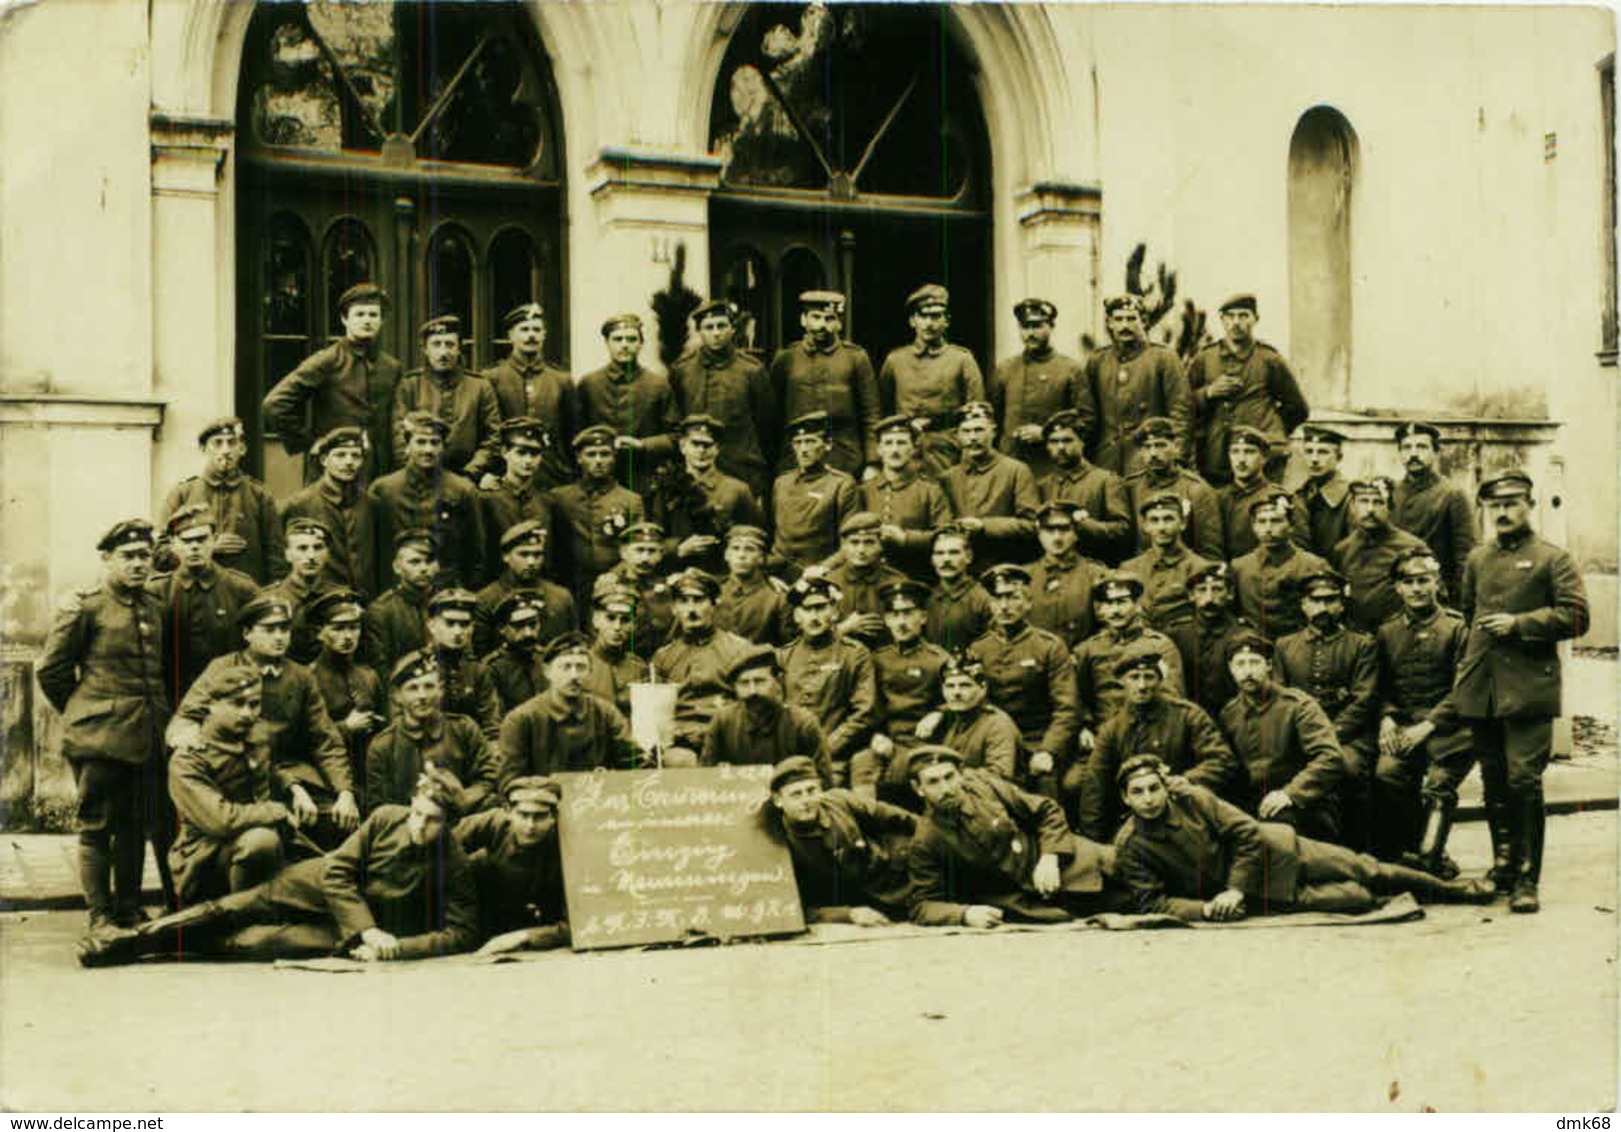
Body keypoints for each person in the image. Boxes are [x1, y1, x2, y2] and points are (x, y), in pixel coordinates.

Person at [78, 770, 479, 967]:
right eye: (418, 814)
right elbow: (338, 870)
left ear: (450, 825)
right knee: (231, 908)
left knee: (251, 943)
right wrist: (369, 929)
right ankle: (128, 941)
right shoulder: (387, 817)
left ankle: (155, 950)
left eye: (432, 821)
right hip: (315, 886)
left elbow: (462, 932)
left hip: (343, 931)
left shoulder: (454, 862)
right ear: (412, 804)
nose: (420, 826)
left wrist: (394, 948)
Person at [1111, 756, 1494, 922]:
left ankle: (1453, 891)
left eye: (1153, 789)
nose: (1148, 799)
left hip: (1275, 850)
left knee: (1366, 868)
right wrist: (1207, 909)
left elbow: (1245, 833)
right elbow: (1151, 901)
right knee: (1355, 898)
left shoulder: (1193, 799)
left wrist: (1234, 889)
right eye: (1138, 792)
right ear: (1125, 799)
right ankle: (1394, 902)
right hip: (1258, 893)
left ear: (1165, 787)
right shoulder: (1130, 844)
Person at [1451, 471, 1588, 913]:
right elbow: (1469, 614)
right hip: (1483, 689)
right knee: (1493, 781)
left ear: (1529, 504)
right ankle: (1504, 864)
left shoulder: (1553, 559)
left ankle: (1527, 878)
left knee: (1523, 780)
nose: (1504, 512)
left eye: (1512, 503)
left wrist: (1522, 624)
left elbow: (1577, 617)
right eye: (1496, 506)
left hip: (1528, 688)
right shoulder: (1477, 559)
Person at [38, 519, 173, 931]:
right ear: (107, 559)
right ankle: (100, 916)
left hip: (147, 735)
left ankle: (129, 908)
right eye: (128, 557)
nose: (138, 564)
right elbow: (52, 670)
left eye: (144, 556)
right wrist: (87, 711)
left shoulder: (153, 605)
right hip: (99, 737)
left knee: (134, 825)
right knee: (97, 825)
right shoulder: (86, 606)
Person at [172, 595, 359, 851]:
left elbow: (324, 740)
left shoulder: (300, 676)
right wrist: (189, 737)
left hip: (290, 770)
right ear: (247, 633)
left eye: (284, 629)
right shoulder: (223, 668)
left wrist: (344, 792)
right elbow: (187, 717)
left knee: (338, 820)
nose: (279, 637)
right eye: (269, 630)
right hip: (241, 773)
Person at [906, 747, 1121, 926]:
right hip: (1028, 904)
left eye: (949, 777)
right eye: (933, 782)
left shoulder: (986, 787)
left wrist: (1050, 856)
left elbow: (1047, 810)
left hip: (1066, 862)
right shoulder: (926, 840)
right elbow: (922, 906)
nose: (946, 789)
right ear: (918, 789)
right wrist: (965, 914)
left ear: (960, 774)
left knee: (1130, 866)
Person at [1372, 549, 1475, 870]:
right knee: (1387, 774)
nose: (1416, 589)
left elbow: (1464, 689)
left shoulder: (1457, 628)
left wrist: (1428, 726)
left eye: (1423, 581)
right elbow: (1378, 684)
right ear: (1397, 588)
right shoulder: (1387, 632)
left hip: (1452, 730)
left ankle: (1430, 860)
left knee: (1438, 785)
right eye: (1408, 582)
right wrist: (1386, 717)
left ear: (1437, 584)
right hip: (1403, 726)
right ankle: (1413, 849)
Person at [1076, 643, 1236, 842]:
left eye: (1149, 677)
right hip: (1137, 820)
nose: (1142, 685)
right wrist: (1094, 841)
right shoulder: (1113, 729)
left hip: (1186, 813)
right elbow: (1096, 787)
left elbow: (1221, 760)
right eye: (1134, 677)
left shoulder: (1187, 716)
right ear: (1122, 681)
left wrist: (1188, 781)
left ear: (1160, 680)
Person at [165, 661, 295, 905]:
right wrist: (276, 811)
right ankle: (236, 920)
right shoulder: (189, 759)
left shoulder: (257, 735)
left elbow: (269, 771)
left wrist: (294, 788)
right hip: (206, 861)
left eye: (254, 704)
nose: (247, 713)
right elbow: (221, 821)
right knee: (261, 841)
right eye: (237, 704)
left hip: (254, 844)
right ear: (212, 705)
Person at [1273, 570, 1381, 850]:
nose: (1323, 607)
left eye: (1331, 600)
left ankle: (1359, 851)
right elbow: (1280, 697)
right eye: (1315, 600)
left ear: (1341, 604)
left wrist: (1331, 735)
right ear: (1303, 605)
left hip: (1349, 736)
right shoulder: (1285, 646)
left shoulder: (1362, 645)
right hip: (1302, 735)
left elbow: (1363, 699)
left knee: (1349, 769)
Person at [261, 281, 400, 483]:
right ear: (345, 319)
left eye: (373, 314)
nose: (367, 321)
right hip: (330, 470)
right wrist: (311, 443)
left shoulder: (391, 367)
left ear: (382, 320)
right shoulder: (327, 360)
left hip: (377, 473)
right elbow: (274, 404)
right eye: (359, 314)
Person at [1216, 631, 1345, 841]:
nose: (1247, 671)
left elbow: (1330, 757)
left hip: (1304, 805)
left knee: (1272, 837)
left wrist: (1290, 794)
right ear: (1231, 669)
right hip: (1254, 804)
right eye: (1240, 664)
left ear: (1268, 665)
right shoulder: (1229, 714)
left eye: (1254, 662)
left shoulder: (1297, 705)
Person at [966, 564, 1077, 797]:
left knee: (1044, 790)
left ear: (1028, 603)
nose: (1004, 606)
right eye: (997, 599)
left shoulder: (1049, 646)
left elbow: (1066, 709)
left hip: (1036, 740)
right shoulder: (978, 649)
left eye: (1012, 597)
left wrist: (1048, 750)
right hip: (992, 740)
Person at [762, 756, 916, 924]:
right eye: (796, 794)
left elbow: (895, 817)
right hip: (844, 909)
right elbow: (793, 908)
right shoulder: (777, 840)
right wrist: (848, 914)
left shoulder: (840, 800)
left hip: (893, 888)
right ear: (778, 800)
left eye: (811, 791)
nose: (806, 801)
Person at [1183, 294, 1309, 485]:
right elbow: (1183, 404)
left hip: (1263, 459)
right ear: (1222, 320)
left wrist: (1271, 431)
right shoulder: (1205, 358)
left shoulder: (1269, 359)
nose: (1236, 323)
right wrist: (1208, 393)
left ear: (1255, 319)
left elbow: (1298, 408)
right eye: (1230, 316)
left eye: (1243, 316)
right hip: (1216, 458)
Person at [146, 503, 261, 704]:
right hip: (172, 698)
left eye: (202, 539)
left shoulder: (241, 589)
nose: (194, 547)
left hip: (229, 698)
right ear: (173, 544)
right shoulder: (156, 592)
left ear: (215, 540)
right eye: (187, 541)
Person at [669, 298, 779, 500]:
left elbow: (768, 427)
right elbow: (675, 422)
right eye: (709, 327)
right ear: (700, 332)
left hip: (743, 470)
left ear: (732, 330)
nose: (716, 333)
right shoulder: (682, 370)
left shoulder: (752, 370)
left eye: (722, 326)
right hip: (696, 474)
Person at [366, 651, 501, 815]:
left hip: (462, 820)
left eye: (429, 686)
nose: (422, 696)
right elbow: (380, 807)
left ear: (441, 690)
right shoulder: (383, 746)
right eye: (412, 688)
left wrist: (463, 798)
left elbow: (488, 778)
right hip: (409, 828)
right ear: (398, 696)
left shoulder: (464, 729)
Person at [159, 417, 284, 586]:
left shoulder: (259, 495)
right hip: (194, 595)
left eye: (232, 443)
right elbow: (159, 554)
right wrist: (206, 547)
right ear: (204, 449)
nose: (225, 450)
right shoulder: (182, 494)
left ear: (242, 449)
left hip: (247, 594)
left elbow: (276, 556)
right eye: (217, 443)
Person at [454, 775, 571, 955]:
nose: (530, 825)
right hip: (487, 907)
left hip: (541, 917)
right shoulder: (493, 823)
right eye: (523, 815)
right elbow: (444, 849)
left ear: (554, 816)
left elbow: (578, 924)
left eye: (540, 816)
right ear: (508, 811)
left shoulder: (567, 843)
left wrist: (524, 936)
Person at [368, 411, 486, 589]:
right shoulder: (384, 490)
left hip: (445, 590)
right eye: (421, 442)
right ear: (407, 446)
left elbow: (476, 551)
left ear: (443, 447)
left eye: (435, 442)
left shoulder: (462, 490)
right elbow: (372, 552)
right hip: (396, 590)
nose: (428, 450)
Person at [768, 290, 880, 478]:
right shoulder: (785, 359)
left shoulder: (856, 358)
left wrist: (873, 462)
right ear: (803, 320)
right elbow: (772, 418)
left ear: (839, 323)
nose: (822, 325)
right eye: (816, 317)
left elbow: (871, 414)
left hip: (844, 458)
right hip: (796, 458)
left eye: (830, 319)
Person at [877, 284, 985, 476]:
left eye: (935, 316)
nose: (929, 323)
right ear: (912, 321)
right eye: (923, 316)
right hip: (905, 449)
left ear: (946, 321)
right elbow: (883, 409)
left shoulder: (962, 359)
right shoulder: (895, 360)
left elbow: (976, 410)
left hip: (948, 450)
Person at [856, 580, 950, 801]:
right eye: (895, 615)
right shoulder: (878, 659)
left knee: (901, 771)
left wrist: (939, 712)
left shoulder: (938, 659)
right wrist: (876, 734)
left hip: (924, 741)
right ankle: (867, 827)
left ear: (923, 618)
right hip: (888, 738)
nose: (902, 622)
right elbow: (870, 705)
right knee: (860, 764)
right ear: (887, 620)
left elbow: (959, 697)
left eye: (908, 613)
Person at [498, 632, 639, 779]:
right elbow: (510, 780)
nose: (574, 675)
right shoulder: (522, 719)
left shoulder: (605, 714)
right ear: (547, 671)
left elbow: (635, 763)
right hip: (543, 798)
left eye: (581, 667)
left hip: (595, 797)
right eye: (565, 667)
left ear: (590, 672)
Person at [1072, 573, 1185, 754]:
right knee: (1074, 783)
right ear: (1101, 609)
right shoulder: (1087, 649)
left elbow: (1173, 697)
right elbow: (1078, 697)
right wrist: (1083, 726)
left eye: (1122, 602)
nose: (1115, 610)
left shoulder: (1160, 645)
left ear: (1137, 605)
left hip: (1150, 736)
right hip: (1105, 739)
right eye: (1109, 603)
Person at [778, 575, 877, 782]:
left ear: (834, 612)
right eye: (807, 609)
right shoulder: (784, 656)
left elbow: (864, 713)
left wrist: (826, 748)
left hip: (835, 757)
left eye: (821, 608)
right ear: (797, 615)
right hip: (788, 757)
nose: (814, 616)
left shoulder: (854, 654)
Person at [651, 569, 755, 761]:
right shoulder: (663, 657)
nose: (691, 610)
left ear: (714, 603)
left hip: (727, 740)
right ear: (674, 608)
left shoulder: (738, 650)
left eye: (699, 600)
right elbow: (657, 714)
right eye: (683, 601)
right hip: (679, 743)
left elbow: (751, 703)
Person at [1083, 294, 1192, 476]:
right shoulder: (1097, 361)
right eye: (1118, 319)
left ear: (1144, 321)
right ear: (1109, 323)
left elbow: (1180, 412)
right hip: (1106, 461)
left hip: (1150, 459)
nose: (1125, 326)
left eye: (1131, 319)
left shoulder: (1163, 358)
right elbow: (1087, 412)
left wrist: (1177, 457)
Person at [989, 298, 1093, 481]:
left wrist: (1046, 433)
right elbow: (992, 419)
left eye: (1036, 326)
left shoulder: (1070, 370)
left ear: (1051, 326)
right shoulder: (1005, 369)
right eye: (1024, 327)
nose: (1030, 333)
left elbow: (1086, 420)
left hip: (1052, 468)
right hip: (1011, 465)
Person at [576, 313, 679, 496]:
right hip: (597, 481)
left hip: (643, 479)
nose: (624, 345)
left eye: (631, 339)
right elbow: (575, 432)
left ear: (640, 344)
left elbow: (675, 436)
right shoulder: (589, 384)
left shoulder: (657, 385)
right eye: (618, 339)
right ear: (607, 343)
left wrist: (643, 445)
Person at [479, 301, 577, 491]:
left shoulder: (561, 380)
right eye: (524, 329)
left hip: (552, 476)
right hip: (505, 475)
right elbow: (487, 432)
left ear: (544, 335)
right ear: (511, 335)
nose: (531, 335)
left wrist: (568, 471)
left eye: (536, 329)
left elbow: (571, 433)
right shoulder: (492, 378)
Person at [652, 413, 766, 575]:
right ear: (683, 446)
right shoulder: (666, 487)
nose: (701, 451)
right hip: (677, 574)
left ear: (717, 449)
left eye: (707, 445)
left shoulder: (737, 489)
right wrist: (678, 548)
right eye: (695, 444)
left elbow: (757, 536)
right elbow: (653, 537)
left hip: (722, 574)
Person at [391, 314, 502, 480]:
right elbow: (399, 436)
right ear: (425, 349)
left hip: (469, 480)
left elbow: (493, 438)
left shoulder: (480, 386)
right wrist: (416, 471)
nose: (443, 352)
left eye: (450, 345)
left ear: (459, 349)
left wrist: (471, 473)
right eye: (436, 344)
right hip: (420, 479)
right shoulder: (410, 385)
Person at [702, 648, 832, 782]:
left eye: (759, 681)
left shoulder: (803, 723)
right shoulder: (723, 721)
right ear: (735, 687)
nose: (752, 691)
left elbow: (824, 782)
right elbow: (706, 780)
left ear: (778, 682)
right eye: (744, 683)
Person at [547, 424, 645, 602]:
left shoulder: (631, 500)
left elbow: (636, 548)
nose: (598, 460)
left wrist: (614, 575)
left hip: (615, 585)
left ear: (614, 457)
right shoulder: (560, 497)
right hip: (570, 585)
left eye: (605, 454)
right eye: (591, 454)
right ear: (579, 458)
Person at [278, 426, 379, 597]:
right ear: (324, 459)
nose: (349, 462)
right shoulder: (299, 504)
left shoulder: (371, 504)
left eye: (356, 456)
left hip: (364, 601)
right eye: (340, 455)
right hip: (320, 602)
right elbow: (280, 557)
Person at [939, 400, 1041, 566]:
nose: (972, 437)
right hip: (960, 566)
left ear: (993, 431)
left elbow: (1031, 525)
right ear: (957, 435)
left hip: (1005, 562)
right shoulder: (948, 477)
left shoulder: (1016, 470)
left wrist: (984, 526)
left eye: (979, 430)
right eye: (966, 431)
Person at [307, 589, 385, 796]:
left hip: (369, 776)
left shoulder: (368, 676)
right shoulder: (308, 679)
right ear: (319, 631)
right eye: (338, 628)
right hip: (325, 779)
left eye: (353, 628)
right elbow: (303, 741)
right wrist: (346, 728)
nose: (348, 636)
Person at [857, 415, 953, 581]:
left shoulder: (930, 490)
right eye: (888, 443)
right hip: (871, 579)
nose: (894, 450)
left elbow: (946, 535)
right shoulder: (864, 491)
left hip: (916, 578)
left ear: (913, 448)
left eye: (901, 443)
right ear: (879, 450)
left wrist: (906, 538)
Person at [1391, 421, 1476, 603]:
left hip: (1437, 597)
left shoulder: (1452, 494)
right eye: (1406, 447)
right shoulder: (1392, 493)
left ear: (1436, 452)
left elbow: (1466, 556)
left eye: (1421, 447)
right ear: (1399, 453)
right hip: (1396, 596)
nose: (1413, 454)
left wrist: (1457, 600)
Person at [1229, 491, 1332, 640]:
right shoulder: (1240, 567)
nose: (1268, 528)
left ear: (1291, 526)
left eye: (1276, 521)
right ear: (1253, 526)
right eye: (1262, 521)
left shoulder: (1313, 565)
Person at [1333, 477, 1430, 632]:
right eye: (1364, 501)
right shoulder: (1343, 550)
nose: (1370, 509)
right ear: (1352, 506)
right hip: (1357, 637)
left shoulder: (1412, 547)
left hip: (1400, 635)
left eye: (1378, 502)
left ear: (1390, 506)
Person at [1037, 409, 1132, 565]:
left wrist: (1085, 524)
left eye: (1067, 440)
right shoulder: (1043, 485)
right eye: (1054, 441)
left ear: (1082, 442)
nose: (1060, 447)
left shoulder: (1106, 481)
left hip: (1094, 566)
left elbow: (1122, 530)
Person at [769, 411, 859, 575]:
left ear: (828, 444)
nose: (803, 449)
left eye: (810, 442)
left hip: (819, 572)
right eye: (798, 442)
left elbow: (851, 541)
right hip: (778, 573)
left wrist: (824, 568)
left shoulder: (841, 484)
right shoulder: (781, 483)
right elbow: (773, 536)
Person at [472, 521, 577, 658]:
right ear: (506, 556)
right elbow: (481, 655)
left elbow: (571, 647)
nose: (531, 562)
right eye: (524, 554)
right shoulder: (486, 600)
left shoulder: (561, 598)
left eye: (537, 555)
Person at [1121, 417, 1222, 558]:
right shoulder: (1131, 487)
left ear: (1176, 447)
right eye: (1147, 447)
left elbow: (1210, 551)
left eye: (1160, 445)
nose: (1153, 453)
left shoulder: (1197, 489)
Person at [913, 652, 1022, 782]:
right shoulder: (951, 720)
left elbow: (999, 778)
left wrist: (952, 777)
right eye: (950, 686)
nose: (956, 693)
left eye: (965, 685)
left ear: (983, 688)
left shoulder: (997, 724)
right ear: (943, 690)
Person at [1167, 563, 1256, 720]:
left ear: (1230, 594)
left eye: (1217, 589)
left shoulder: (1244, 634)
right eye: (1202, 590)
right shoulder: (1177, 634)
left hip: (1234, 719)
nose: (1209, 598)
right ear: (1191, 595)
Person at [1120, 492, 1220, 631]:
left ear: (1183, 523)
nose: (1161, 528)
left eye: (1168, 519)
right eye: (1154, 520)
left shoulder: (1200, 568)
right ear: (1145, 526)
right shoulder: (1129, 569)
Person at [477, 418, 556, 588]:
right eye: (521, 453)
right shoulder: (486, 500)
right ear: (505, 452)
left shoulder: (549, 501)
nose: (528, 461)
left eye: (534, 454)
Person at [423, 588, 503, 742]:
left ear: (472, 628)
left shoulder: (478, 671)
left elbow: (491, 726)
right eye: (450, 623)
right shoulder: (416, 667)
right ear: (432, 626)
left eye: (464, 624)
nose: (458, 631)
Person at [1025, 503, 1105, 650]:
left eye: (1064, 529)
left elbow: (1108, 628)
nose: (1057, 537)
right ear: (1039, 534)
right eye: (1049, 530)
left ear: (1076, 533)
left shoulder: (1096, 574)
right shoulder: (1025, 577)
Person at [361, 528, 437, 681]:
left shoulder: (444, 603)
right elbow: (381, 673)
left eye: (429, 561)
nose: (424, 568)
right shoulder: (381, 611)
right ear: (397, 567)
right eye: (415, 562)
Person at [258, 516, 336, 664]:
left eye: (318, 547)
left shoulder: (338, 597)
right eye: (302, 548)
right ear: (287, 554)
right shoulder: (268, 600)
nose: (311, 556)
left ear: (328, 554)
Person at [1215, 425, 1297, 560]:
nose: (1241, 459)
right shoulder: (1217, 498)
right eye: (1235, 452)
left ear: (1264, 458)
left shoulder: (1279, 498)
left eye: (1249, 452)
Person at [596, 522, 675, 660]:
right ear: (624, 553)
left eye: (652, 551)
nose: (645, 558)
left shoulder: (667, 588)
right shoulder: (607, 586)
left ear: (661, 554)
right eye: (639, 550)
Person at [714, 525, 793, 645]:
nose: (741, 555)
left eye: (750, 549)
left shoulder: (777, 599)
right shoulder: (713, 591)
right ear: (726, 555)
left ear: (761, 558)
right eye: (735, 548)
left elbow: (787, 650)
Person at [582, 583, 650, 716]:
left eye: (625, 620)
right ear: (596, 619)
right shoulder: (581, 666)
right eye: (610, 618)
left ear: (633, 625)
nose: (617, 627)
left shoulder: (639, 668)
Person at [924, 525, 992, 651]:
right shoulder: (926, 599)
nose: (946, 559)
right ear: (933, 560)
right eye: (939, 553)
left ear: (968, 557)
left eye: (954, 552)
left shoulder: (983, 599)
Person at [1292, 423, 1353, 560]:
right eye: (1309, 451)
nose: (1314, 459)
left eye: (1323, 452)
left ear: (1339, 457)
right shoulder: (1300, 494)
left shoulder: (1350, 498)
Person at [484, 591, 550, 716]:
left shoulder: (548, 659)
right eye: (519, 627)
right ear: (502, 629)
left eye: (533, 625)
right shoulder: (493, 669)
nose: (528, 633)